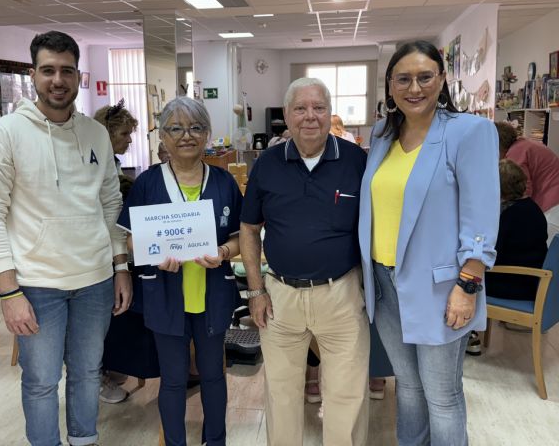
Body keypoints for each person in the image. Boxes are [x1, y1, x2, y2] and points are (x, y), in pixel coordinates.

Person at [0, 31, 131, 446]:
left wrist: (120, 267)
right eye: (48, 70)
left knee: (86, 373)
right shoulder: (6, 134)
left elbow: (110, 205)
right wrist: (9, 293)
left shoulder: (95, 135)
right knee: (42, 381)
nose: (57, 79)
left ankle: (84, 440)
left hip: (95, 281)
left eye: (66, 70)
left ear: (78, 75)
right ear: (33, 75)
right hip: (36, 285)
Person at [359, 40, 499, 446]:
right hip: (385, 286)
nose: (414, 88)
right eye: (403, 79)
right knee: (408, 386)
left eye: (424, 77)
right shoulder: (383, 134)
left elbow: (481, 215)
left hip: (442, 288)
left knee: (442, 395)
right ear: (389, 85)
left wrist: (468, 285)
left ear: (441, 80)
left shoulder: (469, 132)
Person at [240, 77, 370, 446]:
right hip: (280, 298)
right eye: (300, 108)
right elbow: (249, 229)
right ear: (286, 115)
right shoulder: (267, 165)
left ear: (331, 114)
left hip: (341, 294)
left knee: (346, 396)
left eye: (318, 108)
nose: (309, 116)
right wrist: (254, 290)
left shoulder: (356, 161)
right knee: (281, 396)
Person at [117, 96, 242, 446]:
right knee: (172, 380)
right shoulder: (147, 184)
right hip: (165, 295)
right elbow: (129, 242)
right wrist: (152, 255)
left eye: (196, 128)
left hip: (212, 294)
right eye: (176, 128)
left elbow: (237, 240)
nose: (186, 136)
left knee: (213, 375)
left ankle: (215, 441)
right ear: (163, 137)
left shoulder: (223, 182)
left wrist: (221, 252)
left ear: (207, 134)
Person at [93, 100, 148, 404]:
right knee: (101, 319)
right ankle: (98, 375)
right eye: (125, 134)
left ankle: (115, 363)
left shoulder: (111, 163)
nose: (129, 139)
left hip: (115, 248)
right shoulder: (95, 166)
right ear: (107, 134)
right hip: (97, 254)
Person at [485, 159, 548, 301]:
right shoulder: (533, 208)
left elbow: (493, 253)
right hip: (530, 281)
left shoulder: (510, 215)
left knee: (463, 280)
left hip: (515, 284)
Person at [494, 120, 559, 244]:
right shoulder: (524, 144)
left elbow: (520, 189)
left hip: (552, 203)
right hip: (553, 197)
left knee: (550, 249)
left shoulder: (517, 152)